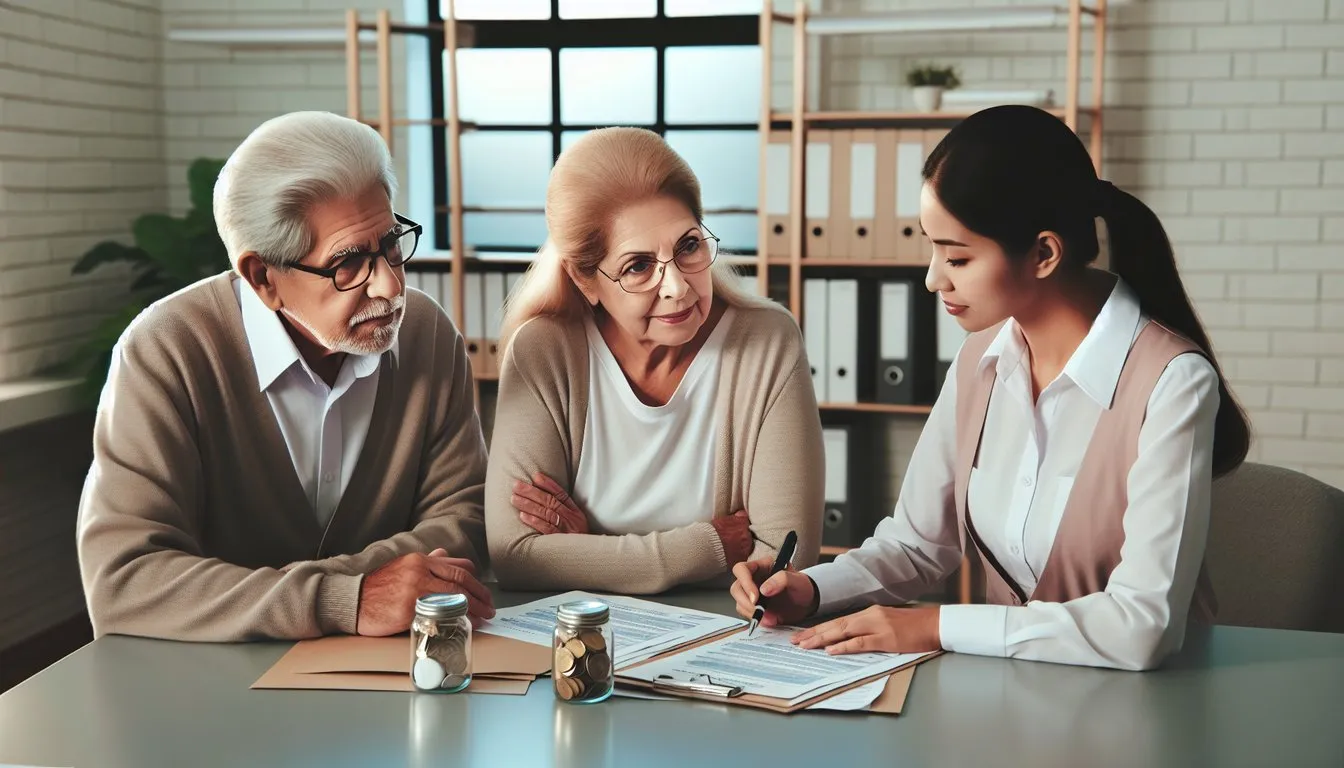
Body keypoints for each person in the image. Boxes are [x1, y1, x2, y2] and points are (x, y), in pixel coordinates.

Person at [729, 105, 1250, 671]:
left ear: (1044, 254)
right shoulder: (982, 357)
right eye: (931, 248)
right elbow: (917, 544)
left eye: (957, 256)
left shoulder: (1172, 381)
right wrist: (811, 588)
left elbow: (1141, 626)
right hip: (1012, 702)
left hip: (1151, 714)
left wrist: (935, 624)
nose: (933, 278)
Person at [76, 111, 495, 642]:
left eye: (391, 244)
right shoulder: (167, 349)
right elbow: (125, 582)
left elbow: (466, 521)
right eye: (348, 264)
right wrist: (352, 597)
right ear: (262, 278)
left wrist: (276, 597)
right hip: (211, 691)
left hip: (390, 675)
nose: (390, 287)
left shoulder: (426, 333)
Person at [484, 127, 823, 594]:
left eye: (688, 246)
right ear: (585, 280)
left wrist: (591, 553)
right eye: (638, 266)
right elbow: (515, 555)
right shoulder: (544, 351)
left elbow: (784, 559)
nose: (678, 287)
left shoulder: (766, 342)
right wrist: (712, 545)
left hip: (724, 636)